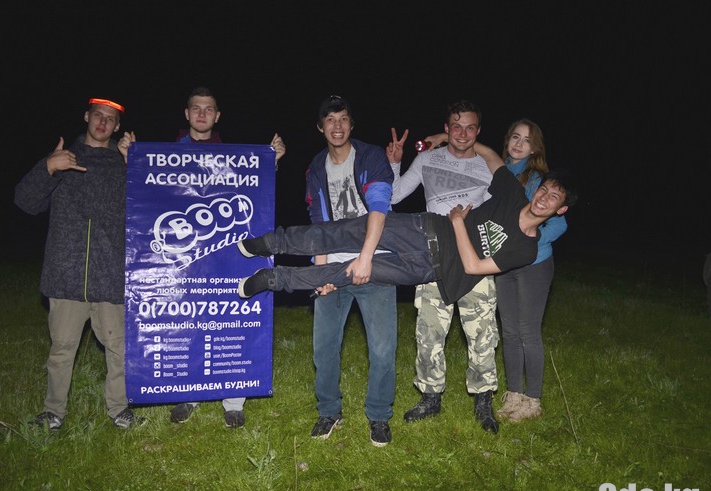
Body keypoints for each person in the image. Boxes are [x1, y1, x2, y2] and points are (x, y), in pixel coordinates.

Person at [236, 143, 576, 320]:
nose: (543, 197)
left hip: (429, 268)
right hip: (422, 228)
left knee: (348, 273)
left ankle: (273, 280)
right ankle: (269, 242)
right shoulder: (513, 194)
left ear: (560, 209)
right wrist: (446, 139)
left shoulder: (527, 249)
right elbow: (490, 156)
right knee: (345, 232)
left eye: (553, 198)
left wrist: (459, 223)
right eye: (544, 189)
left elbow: (474, 266)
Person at [14, 98, 142, 430]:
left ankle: (120, 409)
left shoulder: (124, 163)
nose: (103, 122)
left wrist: (135, 164)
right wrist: (47, 167)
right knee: (61, 349)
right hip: (65, 275)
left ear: (117, 127)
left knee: (119, 348)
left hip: (110, 275)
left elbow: (150, 207)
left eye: (110, 119)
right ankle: (53, 411)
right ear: (87, 117)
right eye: (98, 115)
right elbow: (25, 201)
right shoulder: (64, 159)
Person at [168, 86, 287, 428]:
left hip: (224, 254)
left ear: (217, 116)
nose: (202, 114)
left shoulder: (231, 155)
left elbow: (253, 188)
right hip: (186, 258)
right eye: (196, 108)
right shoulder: (167, 154)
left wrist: (272, 162)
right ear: (187, 114)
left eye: (208, 109)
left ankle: (233, 400)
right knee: (189, 323)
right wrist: (129, 159)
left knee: (230, 320)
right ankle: (188, 395)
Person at [386, 100, 500, 433]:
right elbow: (393, 196)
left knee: (482, 333)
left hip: (474, 259)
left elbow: (506, 206)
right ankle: (430, 396)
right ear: (446, 128)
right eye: (456, 127)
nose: (462, 134)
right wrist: (394, 163)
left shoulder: (488, 166)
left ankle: (483, 399)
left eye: (470, 127)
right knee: (429, 331)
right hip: (433, 256)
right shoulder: (427, 159)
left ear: (478, 131)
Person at [294, 95, 397, 447]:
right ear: (320, 127)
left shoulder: (370, 156)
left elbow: (380, 207)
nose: (337, 126)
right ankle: (329, 411)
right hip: (334, 266)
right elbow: (318, 224)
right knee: (324, 347)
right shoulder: (315, 168)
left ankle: (379, 415)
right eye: (330, 119)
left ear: (351, 124)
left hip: (375, 262)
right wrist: (321, 273)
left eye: (343, 119)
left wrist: (366, 258)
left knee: (382, 349)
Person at [491, 119, 568, 422]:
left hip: (533, 265)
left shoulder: (535, 179)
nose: (519, 144)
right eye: (515, 137)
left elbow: (559, 224)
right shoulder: (496, 172)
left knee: (528, 331)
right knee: (509, 331)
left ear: (535, 148)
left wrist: (530, 244)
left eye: (527, 140)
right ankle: (514, 395)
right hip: (504, 263)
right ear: (507, 140)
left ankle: (532, 400)